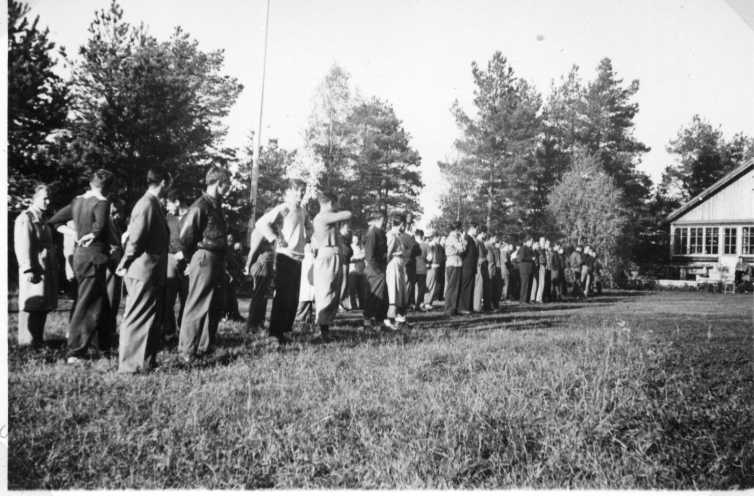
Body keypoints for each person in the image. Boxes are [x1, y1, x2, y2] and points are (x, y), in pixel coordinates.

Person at [48, 169, 119, 363]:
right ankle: (75, 351)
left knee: (98, 302)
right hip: (94, 259)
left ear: (91, 183)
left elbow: (55, 221)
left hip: (81, 256)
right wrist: (91, 235)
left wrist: (75, 234)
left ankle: (99, 346)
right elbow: (101, 227)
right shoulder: (102, 202)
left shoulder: (78, 200)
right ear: (109, 187)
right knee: (86, 303)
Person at [116, 167, 170, 374]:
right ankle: (129, 366)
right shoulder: (147, 204)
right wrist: (125, 261)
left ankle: (146, 362)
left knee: (150, 318)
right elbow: (136, 239)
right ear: (164, 182)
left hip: (151, 270)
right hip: (142, 269)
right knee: (137, 316)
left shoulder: (152, 203)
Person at [178, 166, 230, 362]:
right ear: (219, 183)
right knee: (197, 305)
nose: (229, 189)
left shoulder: (216, 205)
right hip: (205, 258)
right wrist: (191, 259)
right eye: (227, 185)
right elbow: (185, 237)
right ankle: (186, 352)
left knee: (215, 305)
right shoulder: (200, 206)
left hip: (217, 259)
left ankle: (204, 347)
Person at [256, 179, 310, 345]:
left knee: (292, 299)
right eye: (297, 190)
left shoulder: (303, 210)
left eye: (303, 190)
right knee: (282, 297)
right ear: (289, 192)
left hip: (298, 258)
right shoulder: (284, 208)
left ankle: (285, 331)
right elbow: (261, 223)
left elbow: (309, 227)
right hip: (285, 257)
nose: (301, 193)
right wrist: (274, 237)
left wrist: (307, 238)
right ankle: (274, 333)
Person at [14, 184, 58, 348]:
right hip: (34, 270)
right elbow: (22, 245)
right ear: (34, 199)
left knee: (42, 306)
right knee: (32, 307)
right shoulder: (26, 218)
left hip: (45, 269)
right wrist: (28, 269)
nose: (48, 201)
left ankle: (37, 342)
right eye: (44, 198)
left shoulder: (43, 219)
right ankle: (27, 345)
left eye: (49, 198)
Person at [311, 191, 352, 337]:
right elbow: (348, 214)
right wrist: (338, 209)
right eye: (336, 203)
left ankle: (325, 327)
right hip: (327, 254)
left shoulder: (326, 216)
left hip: (332, 254)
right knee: (325, 291)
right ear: (329, 203)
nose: (338, 206)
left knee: (333, 292)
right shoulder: (323, 216)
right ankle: (322, 329)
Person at [162, 189, 188, 342]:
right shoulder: (167, 218)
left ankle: (184, 331)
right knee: (168, 298)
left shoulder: (192, 216)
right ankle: (169, 331)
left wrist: (185, 254)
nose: (167, 207)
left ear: (177, 202)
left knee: (187, 297)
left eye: (169, 204)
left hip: (188, 262)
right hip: (170, 259)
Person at [244, 220, 277, 334]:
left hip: (266, 266)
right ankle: (252, 325)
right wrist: (248, 266)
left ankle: (259, 323)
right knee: (258, 296)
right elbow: (253, 250)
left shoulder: (268, 231)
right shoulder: (260, 231)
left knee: (263, 296)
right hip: (261, 266)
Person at [363, 212, 388, 330]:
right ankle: (367, 321)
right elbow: (369, 255)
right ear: (379, 219)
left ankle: (379, 321)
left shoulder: (381, 233)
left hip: (381, 268)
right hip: (375, 269)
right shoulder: (372, 233)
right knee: (374, 296)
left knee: (382, 297)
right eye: (383, 219)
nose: (385, 222)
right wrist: (378, 271)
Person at [385, 213, 410, 329]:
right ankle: (389, 320)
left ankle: (400, 319)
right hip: (393, 265)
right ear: (401, 224)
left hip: (400, 265)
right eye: (404, 224)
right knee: (393, 293)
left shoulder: (399, 236)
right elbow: (388, 254)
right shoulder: (391, 235)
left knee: (401, 293)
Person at [444, 222, 466, 316]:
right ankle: (450, 309)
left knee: (454, 287)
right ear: (457, 229)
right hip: (454, 263)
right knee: (453, 287)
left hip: (453, 262)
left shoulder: (452, 237)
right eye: (460, 229)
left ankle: (453, 308)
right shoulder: (453, 238)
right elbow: (462, 248)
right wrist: (463, 239)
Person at [223, 233, 245, 322]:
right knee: (226, 297)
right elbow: (223, 265)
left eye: (232, 239)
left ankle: (235, 315)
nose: (231, 241)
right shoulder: (224, 251)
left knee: (233, 297)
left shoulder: (233, 251)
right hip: (226, 277)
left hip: (233, 277)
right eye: (229, 239)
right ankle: (226, 315)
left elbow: (238, 264)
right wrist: (229, 275)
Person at [459, 223, 479, 314]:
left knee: (470, 286)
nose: (477, 231)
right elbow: (463, 251)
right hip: (467, 266)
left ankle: (469, 307)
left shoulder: (472, 239)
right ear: (472, 228)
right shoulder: (467, 238)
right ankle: (463, 307)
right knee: (466, 287)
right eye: (476, 229)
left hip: (471, 266)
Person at [473, 226, 491, 312]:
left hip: (484, 264)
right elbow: (475, 254)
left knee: (485, 286)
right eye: (485, 233)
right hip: (479, 265)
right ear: (482, 233)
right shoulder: (477, 241)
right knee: (479, 286)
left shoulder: (482, 242)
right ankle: (477, 307)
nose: (486, 235)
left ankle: (484, 305)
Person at [347, 232, 366, 310]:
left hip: (361, 271)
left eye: (357, 239)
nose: (355, 241)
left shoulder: (362, 247)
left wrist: (360, 257)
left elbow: (365, 255)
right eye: (354, 239)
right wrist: (357, 258)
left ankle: (362, 305)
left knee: (361, 290)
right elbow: (349, 258)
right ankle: (353, 306)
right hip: (353, 271)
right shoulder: (351, 247)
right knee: (352, 290)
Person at [423, 234, 440, 310]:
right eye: (438, 238)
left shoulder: (434, 246)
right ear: (434, 238)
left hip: (434, 267)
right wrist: (430, 264)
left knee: (432, 285)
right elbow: (429, 257)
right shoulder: (431, 246)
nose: (439, 239)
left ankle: (428, 302)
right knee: (430, 285)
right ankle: (427, 302)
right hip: (431, 267)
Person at [338, 222, 353, 310]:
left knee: (345, 283)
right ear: (342, 228)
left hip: (345, 262)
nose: (348, 230)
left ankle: (340, 302)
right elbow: (347, 251)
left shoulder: (345, 239)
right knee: (343, 282)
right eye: (347, 228)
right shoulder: (340, 238)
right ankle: (339, 302)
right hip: (343, 263)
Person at [515, 238, 534, 304]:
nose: (532, 243)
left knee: (529, 285)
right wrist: (531, 258)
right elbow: (521, 258)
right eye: (531, 241)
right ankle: (523, 300)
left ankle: (527, 300)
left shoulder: (529, 248)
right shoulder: (523, 248)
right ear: (527, 241)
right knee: (524, 285)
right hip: (524, 269)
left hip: (529, 269)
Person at [413, 229, 429, 311]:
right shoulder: (426, 245)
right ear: (422, 236)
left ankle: (411, 304)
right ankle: (419, 304)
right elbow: (430, 257)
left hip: (412, 268)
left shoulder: (412, 244)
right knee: (421, 289)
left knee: (411, 288)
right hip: (422, 269)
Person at [487, 234, 502, 310]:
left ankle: (496, 304)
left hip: (497, 270)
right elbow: (490, 260)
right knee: (491, 288)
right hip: (492, 270)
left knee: (496, 288)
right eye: (495, 237)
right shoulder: (488, 247)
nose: (497, 239)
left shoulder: (495, 248)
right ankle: (491, 305)